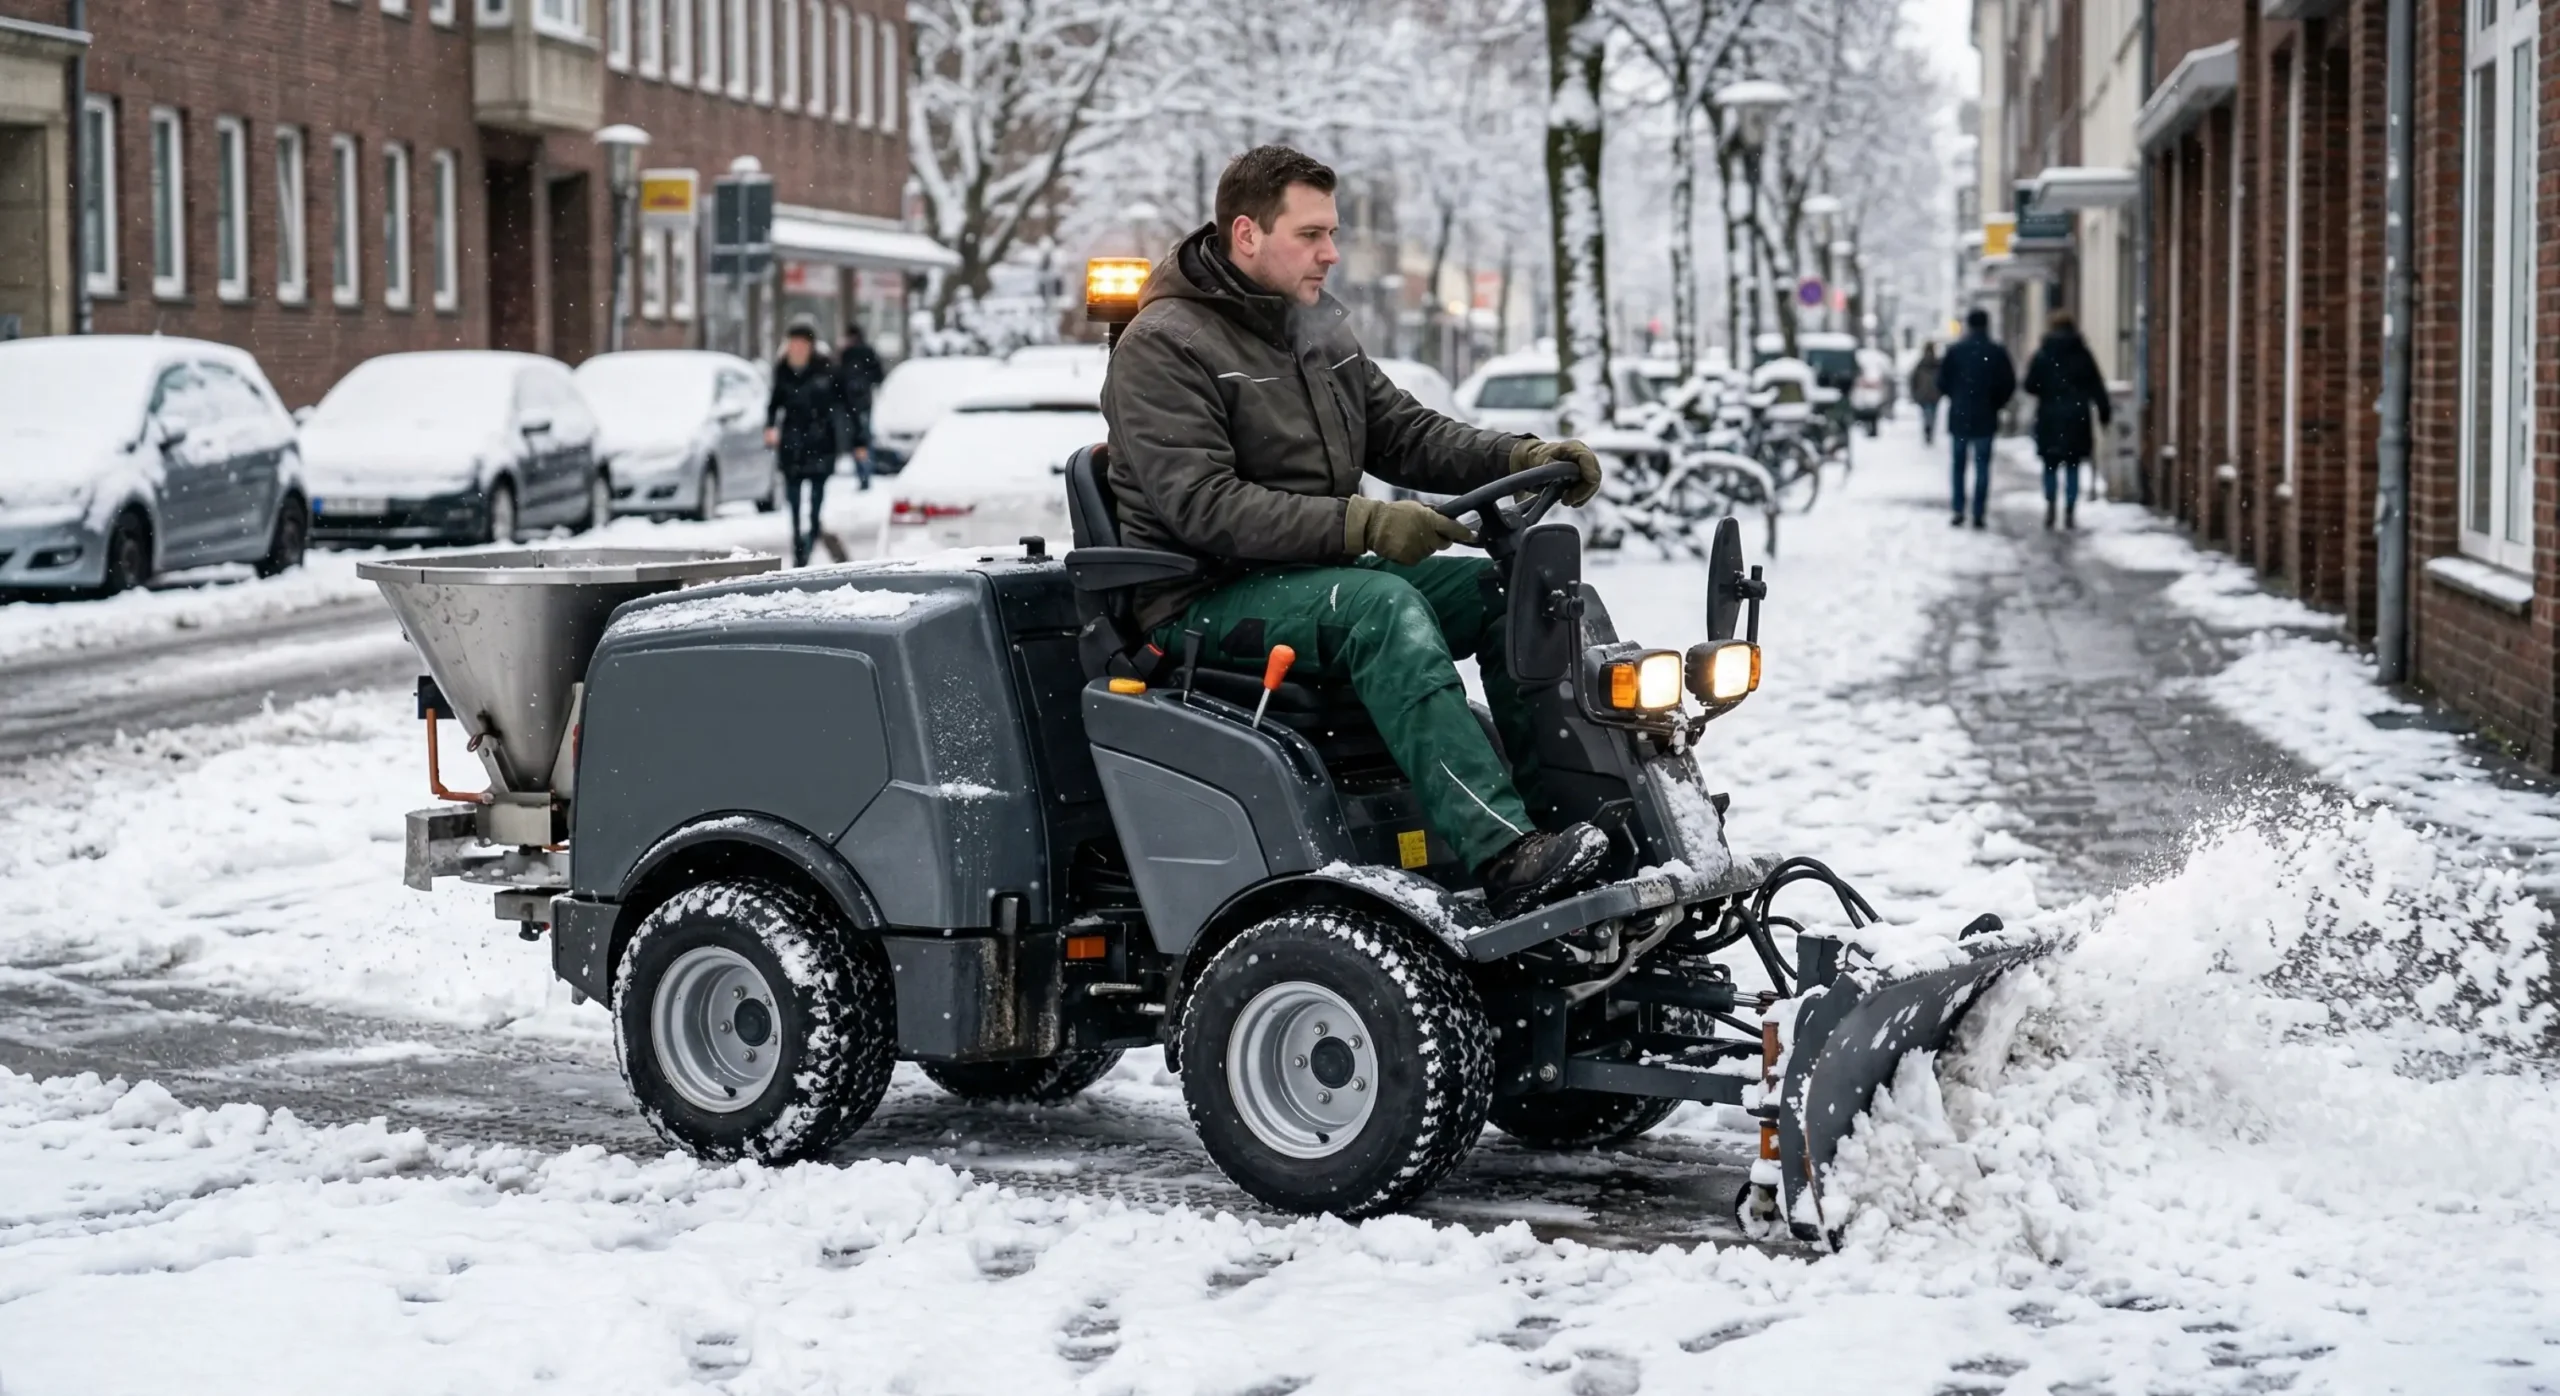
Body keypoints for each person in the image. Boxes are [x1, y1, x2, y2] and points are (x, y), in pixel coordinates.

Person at [1100, 144, 1612, 917]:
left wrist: (1519, 452)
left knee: (1518, 592)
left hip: (1309, 579)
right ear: (1246, 234)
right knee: (1381, 607)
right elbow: (1205, 506)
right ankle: (1503, 852)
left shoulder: (1314, 332)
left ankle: (1570, 822)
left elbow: (1404, 431)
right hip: (1204, 599)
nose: (1331, 253)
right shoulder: (1165, 345)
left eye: (1331, 233)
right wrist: (1362, 522)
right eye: (1311, 235)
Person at [766, 322, 850, 566]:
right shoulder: (782, 370)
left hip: (821, 442)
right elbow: (774, 402)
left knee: (814, 506)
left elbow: (841, 405)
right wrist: (770, 426)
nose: (797, 348)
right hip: (792, 444)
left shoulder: (827, 370)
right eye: (793, 343)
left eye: (802, 344)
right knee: (793, 503)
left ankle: (809, 540)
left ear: (811, 346)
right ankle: (798, 547)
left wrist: (849, 438)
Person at [2022, 311, 2112, 530]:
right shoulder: (2082, 354)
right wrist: (2103, 412)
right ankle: (2070, 509)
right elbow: (2096, 386)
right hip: (2077, 417)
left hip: (2050, 417)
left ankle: (2051, 504)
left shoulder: (2043, 354)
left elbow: (2029, 385)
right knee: (2072, 465)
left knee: (2050, 464)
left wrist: (2047, 389)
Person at [1934, 308, 2015, 529]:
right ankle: (1979, 512)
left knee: (1959, 466)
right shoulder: (1996, 352)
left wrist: (1957, 396)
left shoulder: (1956, 351)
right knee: (1982, 466)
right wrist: (1995, 403)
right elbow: (2008, 383)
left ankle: (1958, 509)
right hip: (1986, 416)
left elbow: (1941, 382)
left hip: (1960, 415)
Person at [836, 322, 888, 491]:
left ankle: (863, 473)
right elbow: (878, 375)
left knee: (858, 438)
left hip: (852, 403)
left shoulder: (847, 354)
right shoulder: (865, 352)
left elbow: (838, 378)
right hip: (862, 402)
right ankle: (865, 472)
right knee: (863, 438)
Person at [1908, 343, 1943, 446]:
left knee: (1929, 415)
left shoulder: (1925, 364)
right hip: (1929, 394)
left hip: (1928, 394)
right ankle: (1929, 432)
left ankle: (1929, 432)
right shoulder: (1930, 364)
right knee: (1929, 415)